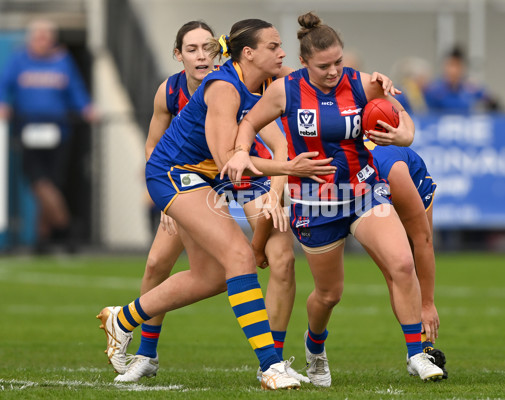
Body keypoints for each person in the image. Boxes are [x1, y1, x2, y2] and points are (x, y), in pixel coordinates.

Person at [97, 18, 339, 390]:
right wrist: (288, 167)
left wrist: (374, 85)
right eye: (274, 46)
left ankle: (123, 318)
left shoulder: (262, 80)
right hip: (176, 174)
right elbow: (229, 158)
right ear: (249, 53)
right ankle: (270, 365)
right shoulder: (224, 88)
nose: (282, 52)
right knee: (237, 258)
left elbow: (322, 75)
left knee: (212, 277)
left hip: (208, 177)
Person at [221, 12, 445, 385]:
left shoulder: (362, 84)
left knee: (402, 264)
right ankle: (315, 346)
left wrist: (404, 136)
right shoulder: (284, 90)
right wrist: (242, 150)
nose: (333, 71)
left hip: (363, 189)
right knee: (329, 294)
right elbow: (248, 124)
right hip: (315, 202)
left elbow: (402, 117)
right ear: (305, 62)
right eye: (324, 65)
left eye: (338, 62)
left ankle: (415, 354)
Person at [0, 18, 97, 253]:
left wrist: (86, 107)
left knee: (52, 181)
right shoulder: (19, 60)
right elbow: (4, 85)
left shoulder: (62, 61)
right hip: (28, 130)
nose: (43, 41)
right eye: (38, 37)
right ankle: (67, 227)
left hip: (59, 131)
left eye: (47, 37)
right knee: (39, 181)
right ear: (31, 39)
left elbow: (75, 89)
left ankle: (41, 240)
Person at [366, 140, 448, 379]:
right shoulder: (347, 171)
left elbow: (423, 241)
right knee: (395, 270)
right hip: (365, 195)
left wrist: (427, 303)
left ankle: (421, 350)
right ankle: (418, 348)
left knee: (410, 254)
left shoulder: (393, 170)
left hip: (408, 182)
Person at [424, 45, 499, 113]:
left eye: (457, 65)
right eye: (450, 65)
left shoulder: (472, 88)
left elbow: (493, 103)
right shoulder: (434, 89)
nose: (453, 70)